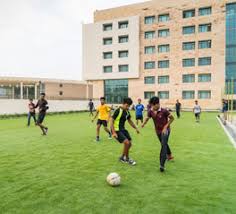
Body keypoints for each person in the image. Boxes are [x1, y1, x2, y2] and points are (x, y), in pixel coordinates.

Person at [142, 96, 174, 172]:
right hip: (158, 131)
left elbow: (172, 118)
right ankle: (169, 155)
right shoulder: (151, 111)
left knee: (163, 145)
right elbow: (147, 118)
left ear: (158, 104)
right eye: (152, 106)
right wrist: (143, 124)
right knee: (164, 143)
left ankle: (162, 165)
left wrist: (166, 127)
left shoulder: (164, 111)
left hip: (166, 130)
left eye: (154, 105)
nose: (152, 107)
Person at [110, 98, 140, 166]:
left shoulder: (127, 112)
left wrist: (136, 128)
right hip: (116, 130)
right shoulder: (118, 110)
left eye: (129, 106)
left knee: (129, 144)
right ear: (123, 104)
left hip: (123, 129)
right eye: (126, 105)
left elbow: (130, 121)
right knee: (126, 142)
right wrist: (113, 132)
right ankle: (127, 159)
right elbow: (111, 120)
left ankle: (122, 157)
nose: (127, 107)